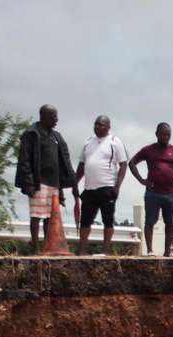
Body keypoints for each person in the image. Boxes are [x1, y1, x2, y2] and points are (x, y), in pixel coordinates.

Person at [15, 105, 76, 254]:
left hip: (54, 183)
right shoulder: (32, 133)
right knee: (36, 215)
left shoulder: (56, 137)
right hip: (38, 182)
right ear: (43, 116)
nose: (56, 120)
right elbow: (25, 159)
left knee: (50, 218)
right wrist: (28, 182)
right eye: (53, 117)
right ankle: (35, 248)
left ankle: (48, 247)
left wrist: (62, 187)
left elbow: (63, 162)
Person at [74, 115, 128, 256]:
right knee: (85, 221)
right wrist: (74, 182)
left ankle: (105, 250)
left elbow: (123, 165)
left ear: (108, 127)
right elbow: (81, 164)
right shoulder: (88, 142)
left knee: (108, 220)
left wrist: (117, 186)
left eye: (101, 124)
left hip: (107, 187)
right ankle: (82, 250)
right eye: (96, 124)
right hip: (90, 188)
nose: (97, 127)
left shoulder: (115, 141)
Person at [129, 123, 173, 256]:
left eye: (169, 134)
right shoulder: (149, 150)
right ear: (157, 134)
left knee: (170, 223)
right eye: (164, 134)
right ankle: (149, 250)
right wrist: (141, 180)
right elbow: (132, 163)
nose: (166, 137)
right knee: (150, 221)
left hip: (171, 193)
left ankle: (167, 251)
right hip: (153, 192)